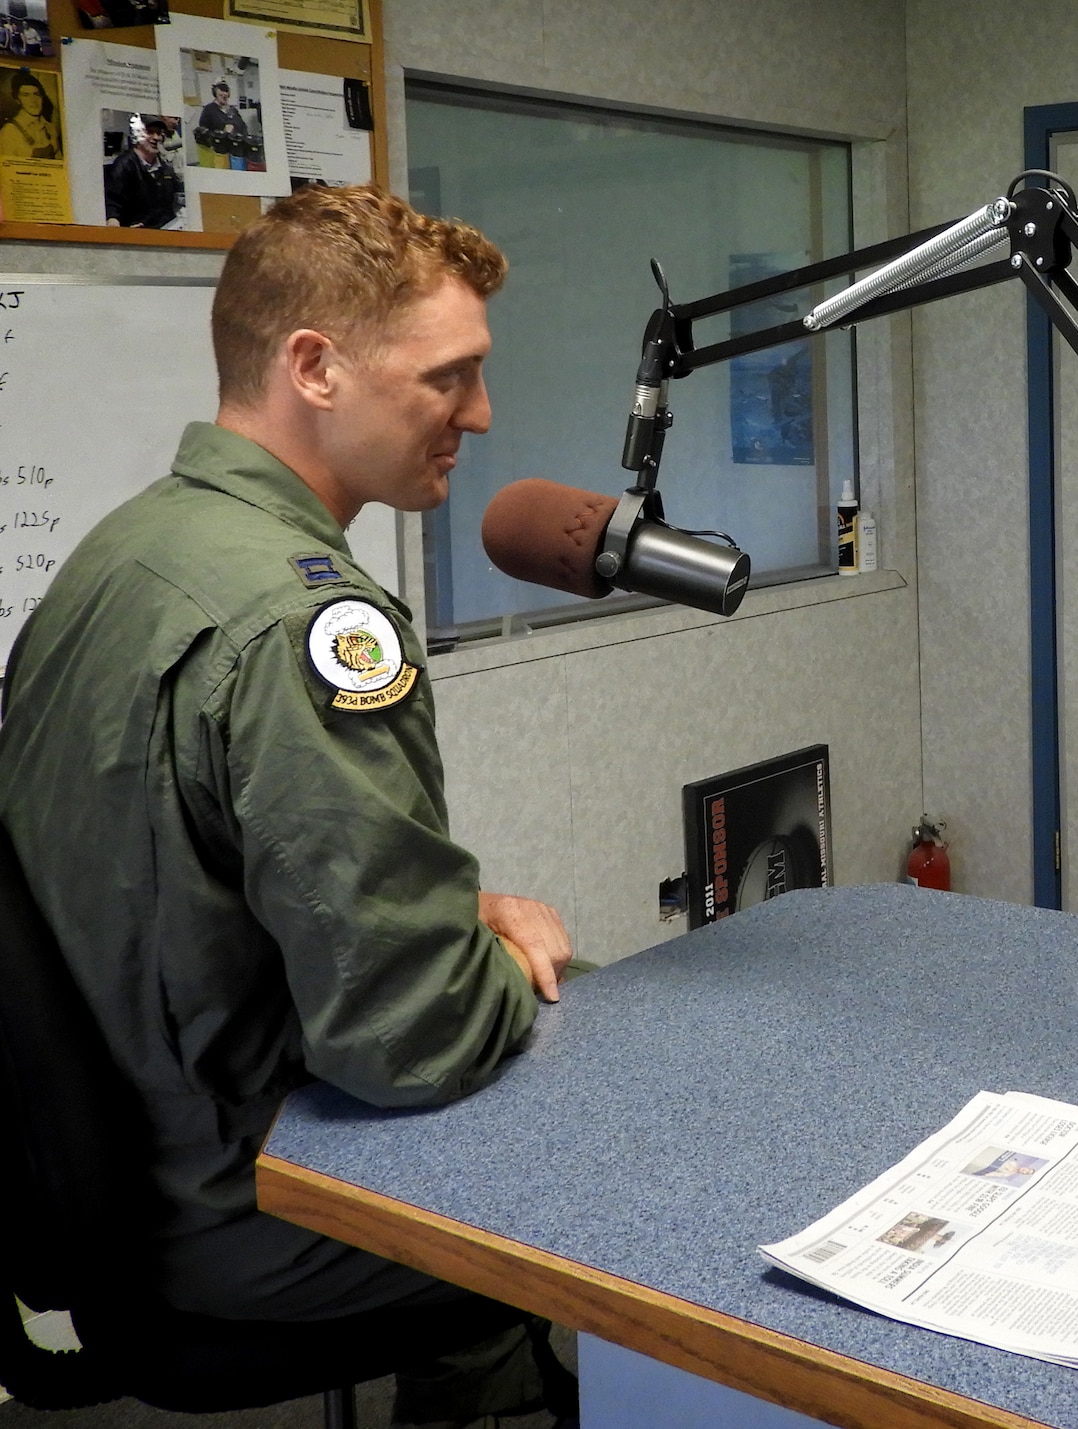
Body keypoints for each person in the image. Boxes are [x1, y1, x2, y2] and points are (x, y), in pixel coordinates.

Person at [0, 185, 575, 1425]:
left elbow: (185, 870)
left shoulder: (126, 553)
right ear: (313, 366)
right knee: (630, 1148)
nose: (478, 413)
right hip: (241, 1209)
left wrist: (444, 913)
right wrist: (493, 949)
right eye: (447, 378)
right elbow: (411, 1041)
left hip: (104, 1180)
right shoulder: (309, 624)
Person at [104, 115, 179, 228]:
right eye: (150, 132)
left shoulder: (165, 167)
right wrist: (113, 222)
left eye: (159, 133)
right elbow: (112, 202)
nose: (156, 137)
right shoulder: (124, 165)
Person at [0, 69, 59, 160]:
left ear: (42, 97)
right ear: (17, 99)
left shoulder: (50, 128)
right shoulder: (9, 132)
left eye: (36, 94)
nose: (33, 100)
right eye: (25, 95)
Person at [196, 78, 244, 168]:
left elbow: (243, 126)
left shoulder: (233, 110)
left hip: (236, 152)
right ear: (215, 94)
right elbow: (203, 132)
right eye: (221, 93)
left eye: (226, 92)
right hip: (218, 154)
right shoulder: (208, 110)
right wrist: (221, 134)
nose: (224, 94)